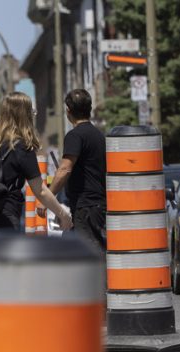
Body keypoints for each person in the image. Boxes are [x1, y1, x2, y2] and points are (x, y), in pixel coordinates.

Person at [0, 92, 71, 232]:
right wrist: (62, 214)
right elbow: (40, 190)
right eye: (31, 111)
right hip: (5, 216)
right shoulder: (21, 146)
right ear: (24, 115)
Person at [48, 89, 106, 251]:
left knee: (89, 251)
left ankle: (98, 277)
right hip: (97, 204)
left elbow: (65, 169)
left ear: (68, 110)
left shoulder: (74, 136)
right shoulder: (98, 135)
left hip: (85, 206)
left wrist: (47, 196)